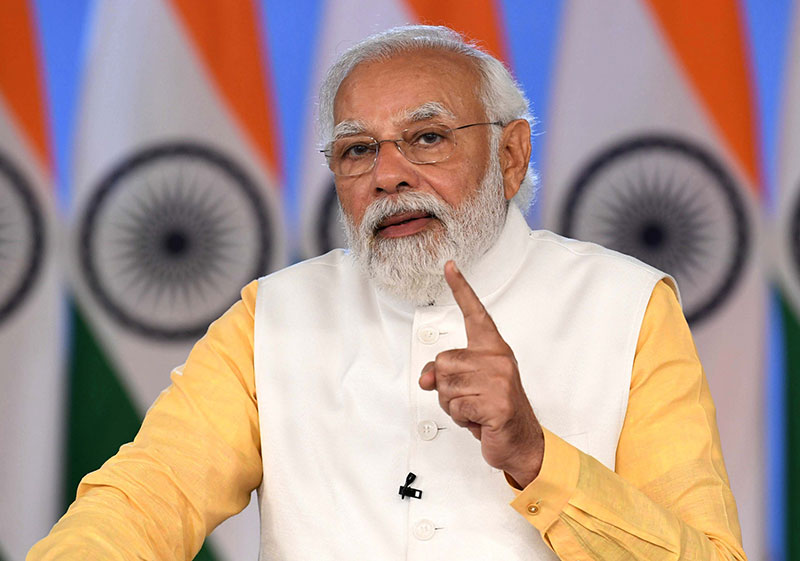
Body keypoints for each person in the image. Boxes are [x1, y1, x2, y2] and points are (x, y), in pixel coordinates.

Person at [29, 25, 746, 561]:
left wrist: (536, 457)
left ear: (511, 153)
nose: (388, 175)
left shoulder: (627, 307)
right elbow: (145, 501)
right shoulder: (272, 318)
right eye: (357, 149)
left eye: (427, 137)